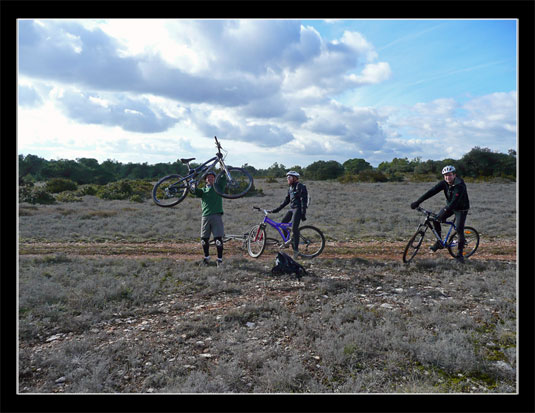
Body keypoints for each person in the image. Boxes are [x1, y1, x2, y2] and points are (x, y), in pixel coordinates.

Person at [410, 165, 470, 263]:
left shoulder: (460, 185)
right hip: (450, 206)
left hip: (461, 209)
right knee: (436, 219)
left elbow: (455, 201)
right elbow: (431, 192)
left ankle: (460, 255)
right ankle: (439, 242)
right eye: (445, 175)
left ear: (454, 175)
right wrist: (418, 202)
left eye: (449, 175)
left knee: (459, 229)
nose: (447, 177)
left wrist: (446, 209)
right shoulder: (444, 183)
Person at [268, 171, 308, 259]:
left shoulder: (300, 186)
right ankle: (287, 242)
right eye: (287, 178)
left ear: (295, 178)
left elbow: (303, 200)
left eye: (289, 177)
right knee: (283, 224)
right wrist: (275, 210)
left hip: (298, 208)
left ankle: (296, 251)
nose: (288, 179)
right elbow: (286, 201)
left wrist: (303, 212)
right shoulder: (290, 188)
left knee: (294, 228)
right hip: (292, 208)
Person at [193, 171, 226, 267]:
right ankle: (206, 258)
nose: (210, 178)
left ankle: (219, 260)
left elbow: (223, 177)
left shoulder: (218, 187)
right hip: (205, 216)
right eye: (208, 177)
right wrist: (192, 182)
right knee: (204, 239)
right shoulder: (202, 190)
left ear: (214, 179)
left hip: (216, 216)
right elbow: (194, 190)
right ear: (205, 180)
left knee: (218, 239)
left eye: (212, 177)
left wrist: (222, 167)